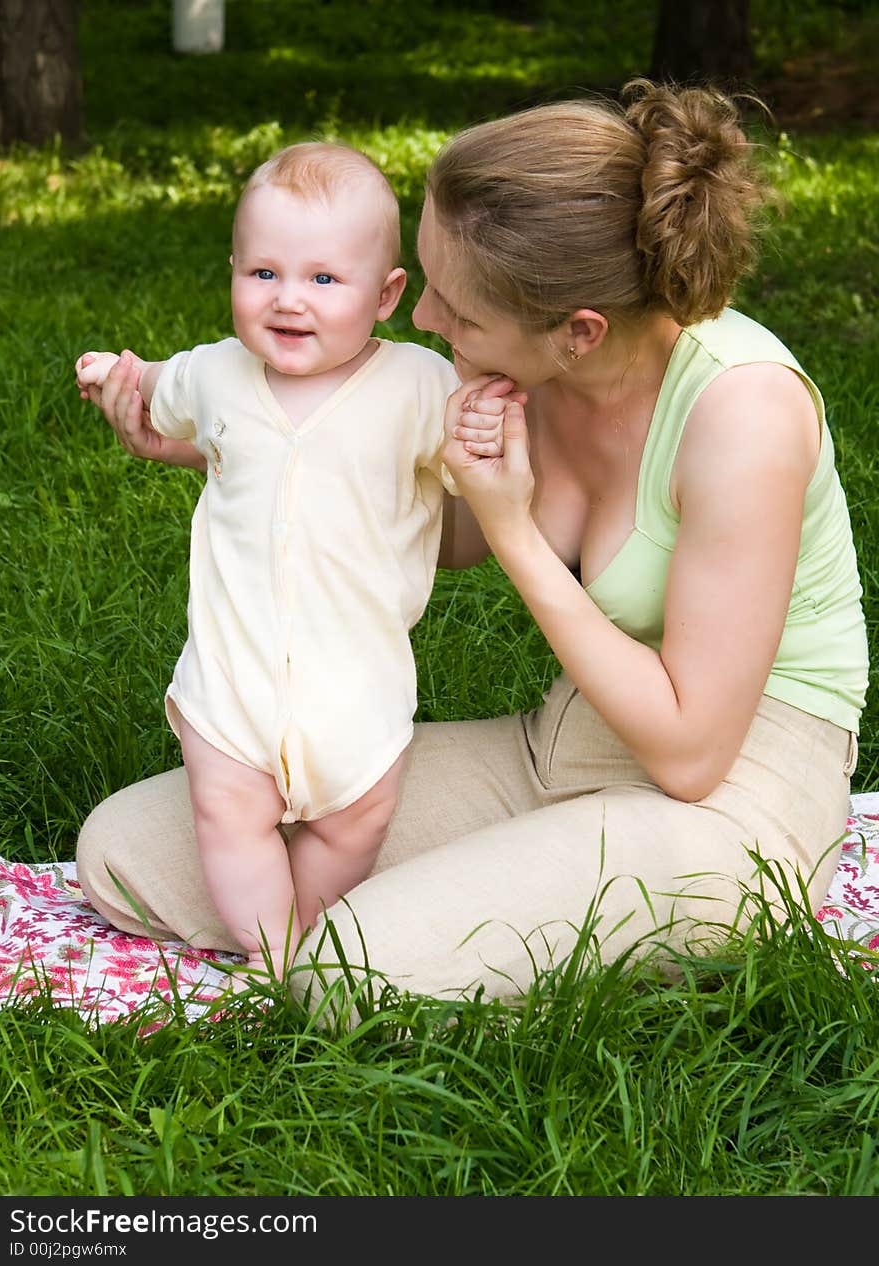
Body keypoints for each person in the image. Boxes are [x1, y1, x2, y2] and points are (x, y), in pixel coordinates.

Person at [75, 81, 868, 1010]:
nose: (423, 323)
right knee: (126, 854)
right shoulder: (525, 363)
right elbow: (440, 537)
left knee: (345, 974)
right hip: (563, 747)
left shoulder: (744, 412)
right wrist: (233, 443)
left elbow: (692, 750)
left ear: (579, 331)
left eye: (455, 308)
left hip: (737, 795)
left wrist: (507, 521)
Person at [74, 141, 504, 986]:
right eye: (263, 273)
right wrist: (114, 376)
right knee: (226, 815)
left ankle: (305, 945)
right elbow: (158, 385)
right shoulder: (218, 374)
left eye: (323, 280)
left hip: (358, 692)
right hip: (232, 689)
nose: (288, 300)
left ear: (385, 296)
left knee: (357, 822)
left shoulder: (418, 386)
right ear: (233, 271)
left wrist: (482, 431)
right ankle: (276, 964)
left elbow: (469, 475)